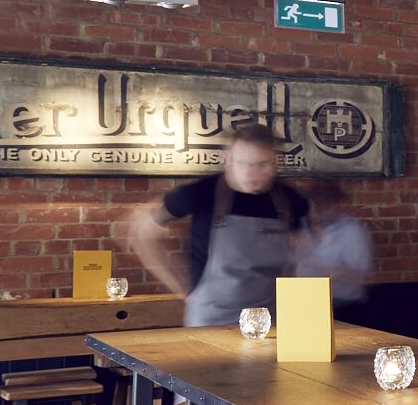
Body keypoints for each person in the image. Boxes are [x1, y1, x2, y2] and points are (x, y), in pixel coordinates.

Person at [124, 122, 309, 327]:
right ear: (227, 159)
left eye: (261, 165)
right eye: (243, 163)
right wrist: (183, 287)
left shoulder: (291, 201)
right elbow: (142, 234)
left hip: (269, 321)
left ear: (275, 162)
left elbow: (298, 256)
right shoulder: (199, 194)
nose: (251, 173)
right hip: (211, 319)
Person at [298, 180, 374, 306]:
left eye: (326, 205)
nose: (319, 210)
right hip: (305, 301)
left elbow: (359, 274)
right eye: (315, 204)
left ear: (337, 205)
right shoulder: (301, 227)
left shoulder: (352, 230)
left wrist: (323, 272)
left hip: (343, 303)